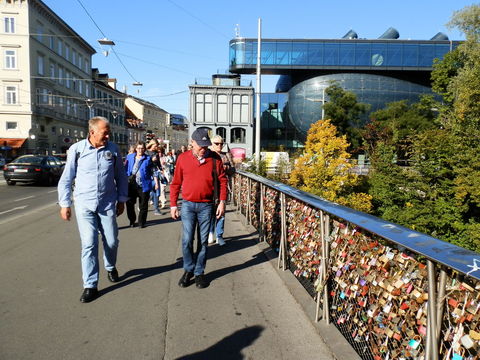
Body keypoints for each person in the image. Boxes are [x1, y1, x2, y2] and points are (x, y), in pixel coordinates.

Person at [58, 116, 128, 303]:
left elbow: (121, 176)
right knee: (89, 243)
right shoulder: (77, 150)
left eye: (108, 132)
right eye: (105, 132)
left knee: (111, 241)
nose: (108, 135)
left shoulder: (113, 150)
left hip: (107, 204)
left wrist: (122, 200)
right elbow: (66, 179)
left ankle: (110, 266)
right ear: (92, 132)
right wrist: (65, 204)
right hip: (84, 204)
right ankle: (90, 285)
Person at [170, 128, 228, 289]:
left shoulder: (215, 159)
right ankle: (188, 269)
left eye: (206, 146)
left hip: (207, 205)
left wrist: (222, 202)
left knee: (203, 241)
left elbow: (223, 181)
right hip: (188, 204)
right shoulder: (183, 158)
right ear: (192, 143)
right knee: (187, 240)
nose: (203, 149)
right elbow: (175, 183)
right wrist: (173, 204)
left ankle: (199, 272)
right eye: (200, 146)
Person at [208, 135, 234, 246]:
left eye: (221, 144)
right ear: (211, 144)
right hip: (209, 189)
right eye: (217, 143)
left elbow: (233, 170)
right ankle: (210, 233)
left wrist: (227, 168)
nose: (220, 145)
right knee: (209, 213)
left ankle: (219, 236)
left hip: (222, 188)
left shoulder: (226, 155)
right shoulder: (207, 155)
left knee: (221, 213)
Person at [124, 141, 153, 228]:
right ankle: (132, 220)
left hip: (143, 184)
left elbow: (152, 170)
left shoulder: (148, 158)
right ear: (136, 149)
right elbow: (125, 169)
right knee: (129, 204)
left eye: (142, 148)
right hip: (131, 184)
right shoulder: (129, 157)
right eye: (139, 148)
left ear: (144, 149)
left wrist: (154, 182)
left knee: (143, 205)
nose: (140, 150)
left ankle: (141, 222)